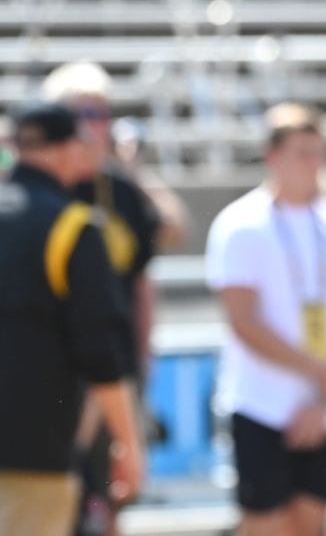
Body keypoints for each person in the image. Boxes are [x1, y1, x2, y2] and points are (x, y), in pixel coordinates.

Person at [206, 103, 326, 536]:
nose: (313, 164)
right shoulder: (240, 225)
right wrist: (321, 373)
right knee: (266, 524)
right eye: (301, 152)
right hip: (263, 404)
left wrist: (325, 400)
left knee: (311, 522)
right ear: (271, 155)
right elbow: (243, 322)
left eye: (318, 152)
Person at [0, 103, 143, 536]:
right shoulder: (72, 226)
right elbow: (102, 352)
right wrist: (129, 442)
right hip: (35, 453)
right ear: (65, 150)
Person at [43, 60, 166, 536]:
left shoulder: (120, 188)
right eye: (82, 113)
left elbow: (141, 278)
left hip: (111, 365)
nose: (95, 125)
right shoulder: (39, 190)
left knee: (112, 497)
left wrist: (139, 358)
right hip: (53, 375)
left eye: (101, 113)